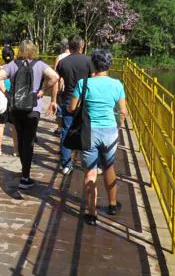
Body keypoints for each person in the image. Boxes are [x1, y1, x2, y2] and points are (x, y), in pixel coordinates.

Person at [68, 49, 128, 225]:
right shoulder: (117, 84)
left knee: (90, 172)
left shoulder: (83, 83)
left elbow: (72, 108)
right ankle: (112, 205)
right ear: (109, 64)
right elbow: (123, 111)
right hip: (110, 131)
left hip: (89, 132)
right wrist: (119, 125)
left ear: (92, 64)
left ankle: (92, 213)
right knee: (109, 167)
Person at [0, 40, 59, 189]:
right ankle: (25, 177)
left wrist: (7, 93)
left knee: (21, 139)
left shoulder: (13, 65)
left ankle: (24, 171)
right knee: (28, 142)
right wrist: (42, 91)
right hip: (33, 108)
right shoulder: (40, 65)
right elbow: (55, 77)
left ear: (20, 50)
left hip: (16, 107)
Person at [55, 35, 92, 175]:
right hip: (85, 101)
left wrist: (53, 100)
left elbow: (57, 81)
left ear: (69, 47)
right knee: (87, 130)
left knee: (66, 130)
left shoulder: (63, 62)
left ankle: (66, 164)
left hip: (68, 100)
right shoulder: (89, 61)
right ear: (82, 46)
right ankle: (89, 163)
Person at [0, 46, 18, 157]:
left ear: (3, 57)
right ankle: (16, 150)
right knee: (14, 126)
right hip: (13, 98)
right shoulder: (17, 68)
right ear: (13, 56)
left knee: (0, 125)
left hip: (1, 99)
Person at [53, 39, 70, 137]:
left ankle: (60, 127)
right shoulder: (74, 56)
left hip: (61, 86)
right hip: (72, 87)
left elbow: (55, 74)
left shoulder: (59, 57)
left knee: (60, 108)